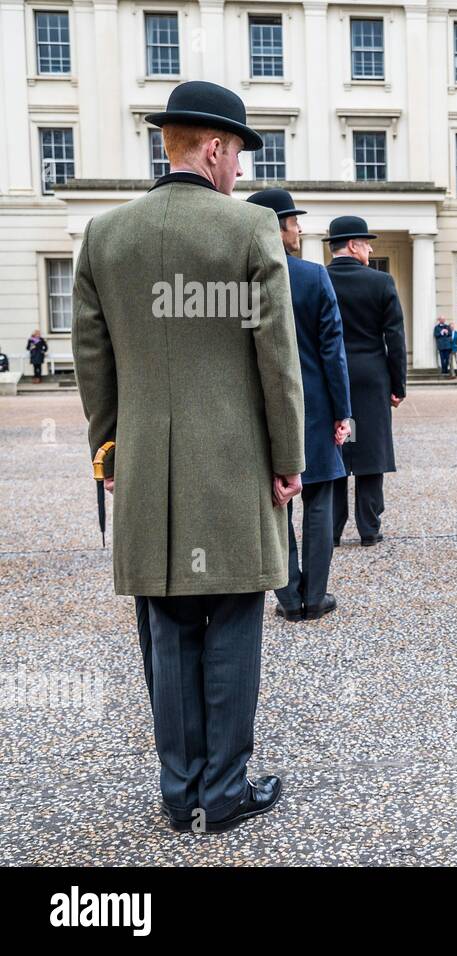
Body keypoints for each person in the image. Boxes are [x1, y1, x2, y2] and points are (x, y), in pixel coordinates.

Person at [72, 80, 303, 833]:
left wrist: (110, 449)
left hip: (147, 469)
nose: (238, 172)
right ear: (213, 149)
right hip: (234, 467)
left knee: (167, 630)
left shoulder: (105, 236)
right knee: (233, 624)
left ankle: (180, 791)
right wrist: (287, 456)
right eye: (236, 156)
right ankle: (225, 789)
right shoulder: (247, 232)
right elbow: (277, 360)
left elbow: (92, 362)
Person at [248, 188, 352, 622]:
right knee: (321, 499)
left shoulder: (241, 283)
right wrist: (343, 409)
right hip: (314, 406)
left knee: (276, 504)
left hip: (261, 408)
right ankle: (316, 597)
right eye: (293, 221)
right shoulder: (312, 276)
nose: (299, 229)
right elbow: (333, 350)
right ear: (277, 226)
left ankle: (289, 597)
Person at [326, 215, 407, 547]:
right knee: (370, 451)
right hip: (371, 376)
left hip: (332, 375)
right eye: (367, 243)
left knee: (335, 448)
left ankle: (330, 528)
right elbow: (395, 339)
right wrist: (398, 385)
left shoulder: (319, 278)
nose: (370, 249)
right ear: (352, 245)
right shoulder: (381, 282)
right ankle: (369, 528)